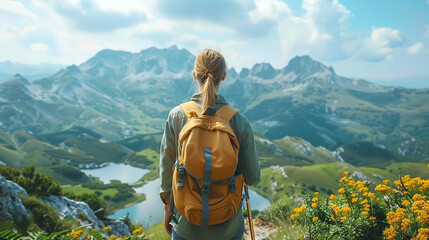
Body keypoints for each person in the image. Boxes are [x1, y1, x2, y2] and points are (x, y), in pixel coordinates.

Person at [159, 49, 260, 240]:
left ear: (194, 75)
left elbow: (166, 170)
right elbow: (253, 176)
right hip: (228, 226)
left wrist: (167, 207)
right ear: (224, 76)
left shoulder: (177, 116)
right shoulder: (238, 121)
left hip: (186, 223)